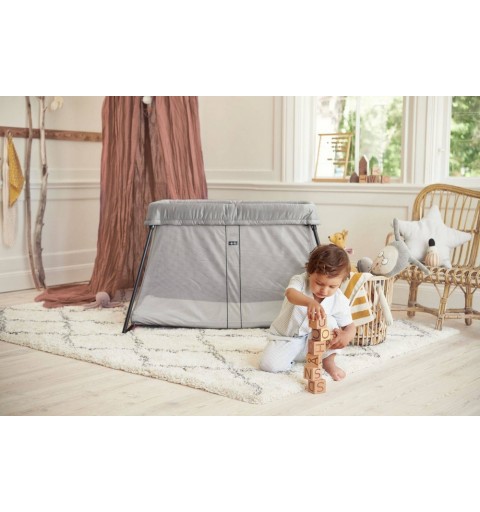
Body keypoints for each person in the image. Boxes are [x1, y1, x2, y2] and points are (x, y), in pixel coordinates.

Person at [259, 244, 355, 380]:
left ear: (341, 282)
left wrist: (346, 336)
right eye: (319, 283)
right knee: (268, 365)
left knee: (330, 322)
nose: (324, 290)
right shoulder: (300, 281)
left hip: (317, 342)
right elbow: (290, 294)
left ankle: (327, 361)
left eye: (332, 286)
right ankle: (293, 358)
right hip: (288, 339)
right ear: (310, 272)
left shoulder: (339, 299)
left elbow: (350, 325)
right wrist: (310, 302)